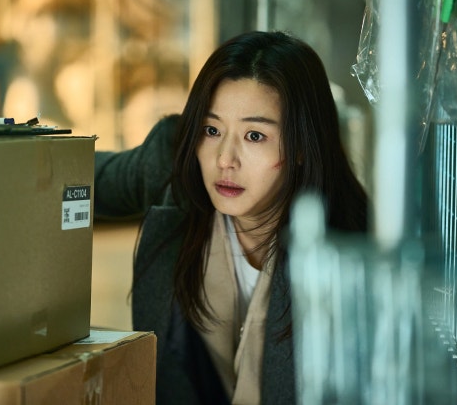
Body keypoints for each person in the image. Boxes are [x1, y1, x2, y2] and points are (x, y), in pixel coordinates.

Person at [94, 30, 368, 404]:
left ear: (302, 147)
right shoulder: (172, 167)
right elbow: (64, 178)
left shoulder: (350, 254)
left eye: (254, 136)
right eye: (211, 130)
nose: (225, 159)